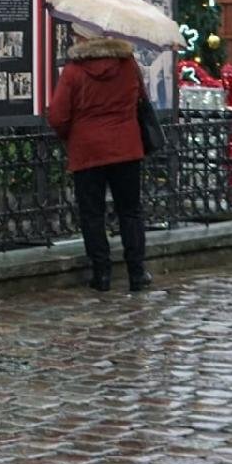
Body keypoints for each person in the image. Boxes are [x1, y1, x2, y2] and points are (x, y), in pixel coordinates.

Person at [45, 26, 153, 294]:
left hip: (88, 151)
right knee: (130, 211)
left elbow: (58, 116)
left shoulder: (73, 71)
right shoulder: (128, 65)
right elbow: (142, 98)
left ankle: (101, 273)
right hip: (126, 148)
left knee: (92, 214)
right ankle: (137, 273)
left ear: (82, 38)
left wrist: (72, 135)